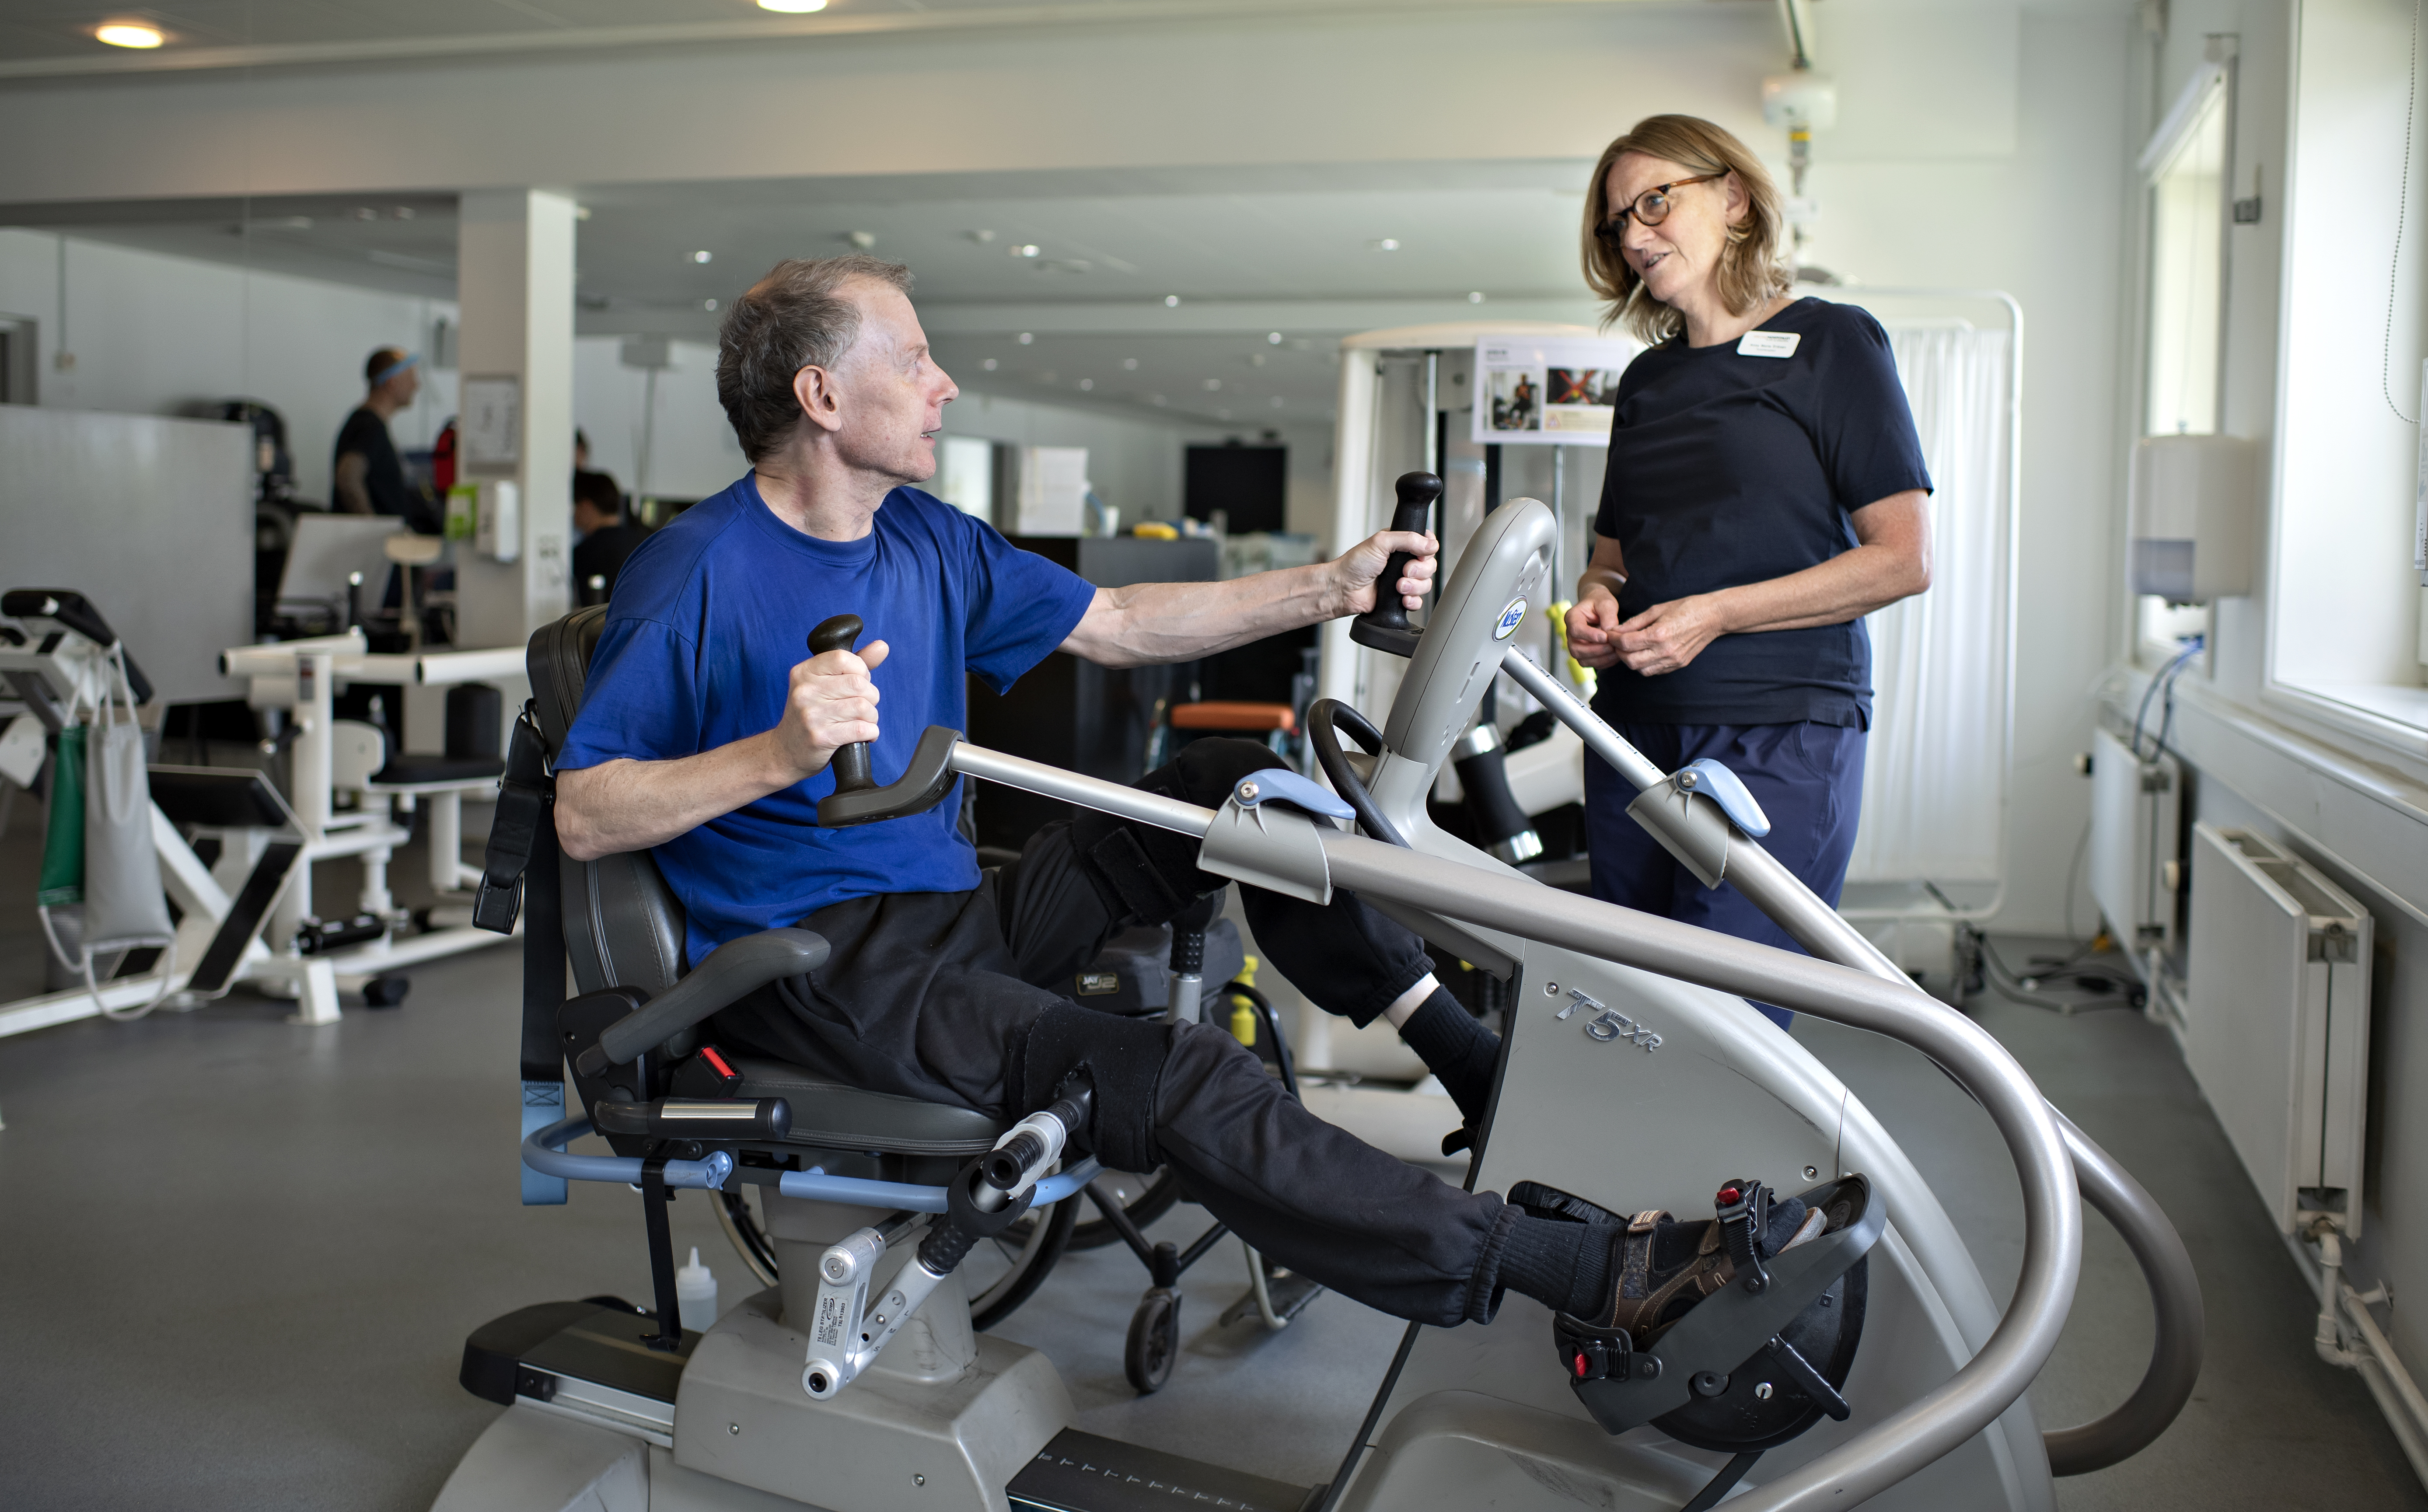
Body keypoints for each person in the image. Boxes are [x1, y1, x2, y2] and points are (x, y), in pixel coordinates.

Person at [551, 255, 1814, 1336]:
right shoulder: (696, 572)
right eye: (919, 361)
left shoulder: (923, 536)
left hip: (954, 916)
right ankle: (1584, 1275)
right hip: (826, 970)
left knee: (1237, 792)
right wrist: (776, 754)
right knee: (1182, 1071)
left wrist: (1334, 585)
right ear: (822, 395)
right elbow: (585, 812)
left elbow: (1118, 621)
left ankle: (1466, 1058)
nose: (945, 387)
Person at [1565, 115, 1933, 1027]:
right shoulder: (1646, 383)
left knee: (1733, 1020)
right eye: (1619, 222)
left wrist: (1716, 614)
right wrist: (1595, 605)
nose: (1636, 234)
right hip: (1634, 735)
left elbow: (1902, 559)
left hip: (1780, 728)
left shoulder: (1832, 344)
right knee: (1630, 1011)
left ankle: (1740, 1178)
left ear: (1732, 197)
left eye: (1656, 200)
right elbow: (1612, 560)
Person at [332, 347, 440, 532]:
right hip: (372, 551)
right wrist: (372, 532)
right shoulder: (368, 426)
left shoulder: (369, 424)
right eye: (411, 378)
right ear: (392, 383)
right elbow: (348, 478)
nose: (416, 386)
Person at [571, 469, 646, 606]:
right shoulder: (644, 542)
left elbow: (585, 611)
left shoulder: (584, 552)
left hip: (603, 626)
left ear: (586, 506)